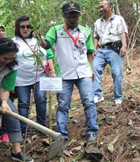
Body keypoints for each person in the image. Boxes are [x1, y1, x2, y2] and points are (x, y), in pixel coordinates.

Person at [38, 2, 99, 147]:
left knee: (89, 101)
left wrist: (92, 70)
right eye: (70, 16)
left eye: (75, 15)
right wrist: (42, 41)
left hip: (84, 72)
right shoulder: (56, 30)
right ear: (64, 16)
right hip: (64, 74)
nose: (73, 18)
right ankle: (62, 134)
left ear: (79, 15)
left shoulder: (85, 31)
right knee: (63, 105)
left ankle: (91, 131)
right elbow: (47, 43)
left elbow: (90, 52)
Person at [13, 15, 56, 138]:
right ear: (18, 28)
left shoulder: (38, 40)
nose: (25, 29)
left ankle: (42, 126)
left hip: (40, 76)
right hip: (21, 79)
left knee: (41, 99)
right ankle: (23, 129)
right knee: (24, 103)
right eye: (22, 26)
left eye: (28, 26)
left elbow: (48, 52)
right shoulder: (13, 42)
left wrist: (52, 71)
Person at [92, 1, 128, 105]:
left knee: (117, 73)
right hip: (101, 49)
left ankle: (118, 97)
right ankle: (97, 95)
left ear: (110, 7)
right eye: (99, 7)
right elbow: (96, 37)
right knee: (94, 70)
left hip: (114, 49)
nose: (101, 9)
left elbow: (122, 33)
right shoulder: (97, 22)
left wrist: (124, 46)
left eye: (102, 7)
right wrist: (94, 48)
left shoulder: (118, 19)